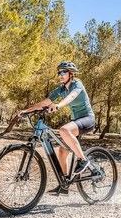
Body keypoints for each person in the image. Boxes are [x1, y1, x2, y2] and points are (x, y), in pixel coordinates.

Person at [19, 61, 95, 196]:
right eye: (59, 72)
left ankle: (83, 159)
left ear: (71, 74)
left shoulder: (77, 84)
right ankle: (65, 184)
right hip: (76, 121)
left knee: (64, 130)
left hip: (87, 119)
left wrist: (59, 105)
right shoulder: (60, 89)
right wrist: (27, 111)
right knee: (62, 152)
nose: (60, 74)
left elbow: (71, 97)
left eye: (63, 72)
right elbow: (44, 103)